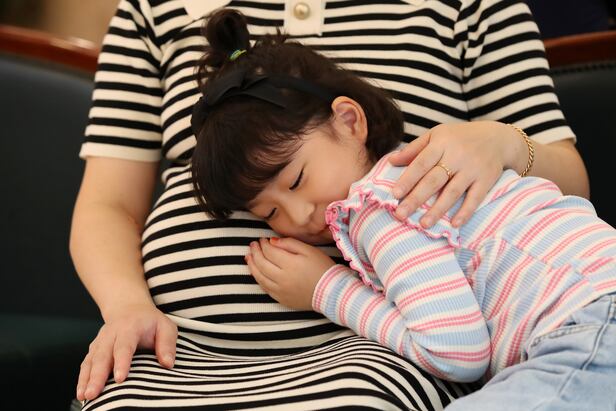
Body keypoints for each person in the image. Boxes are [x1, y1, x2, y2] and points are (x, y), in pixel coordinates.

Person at [69, 0, 590, 409]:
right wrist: (126, 306)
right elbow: (107, 204)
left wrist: (501, 143)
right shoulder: (152, 8)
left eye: (297, 180)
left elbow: (570, 186)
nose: (298, 220)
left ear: (351, 120)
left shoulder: (467, 7)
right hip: (177, 356)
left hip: (381, 355)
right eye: (266, 214)